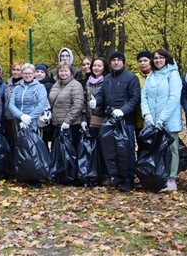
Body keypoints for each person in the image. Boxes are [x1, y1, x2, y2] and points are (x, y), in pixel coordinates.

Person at [89, 52, 140, 192]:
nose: (116, 62)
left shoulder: (131, 78)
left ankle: (129, 179)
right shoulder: (107, 79)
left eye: (119, 60)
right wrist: (96, 101)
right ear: (110, 63)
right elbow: (102, 95)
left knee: (127, 151)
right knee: (111, 150)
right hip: (110, 120)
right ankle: (117, 176)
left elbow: (135, 99)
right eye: (113, 60)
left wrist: (123, 110)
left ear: (123, 62)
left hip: (125, 121)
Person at [141, 49, 182, 192]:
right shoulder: (151, 75)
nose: (158, 60)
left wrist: (162, 118)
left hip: (169, 120)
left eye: (161, 57)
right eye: (156, 58)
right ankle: (157, 177)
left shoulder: (173, 74)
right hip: (152, 121)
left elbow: (174, 98)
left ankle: (171, 178)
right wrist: (147, 114)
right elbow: (144, 96)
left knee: (171, 149)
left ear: (167, 59)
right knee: (155, 149)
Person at [8, 63, 48, 187]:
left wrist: (30, 118)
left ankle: (35, 178)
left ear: (34, 74)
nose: (27, 75)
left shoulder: (39, 87)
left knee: (33, 151)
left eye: (30, 73)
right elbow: (11, 104)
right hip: (19, 123)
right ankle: (23, 175)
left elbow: (41, 104)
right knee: (22, 149)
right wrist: (21, 116)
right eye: (25, 73)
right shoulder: (17, 87)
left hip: (33, 123)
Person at [49, 61, 85, 154]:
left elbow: (78, 105)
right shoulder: (56, 85)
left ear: (71, 72)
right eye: (61, 71)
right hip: (56, 125)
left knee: (70, 154)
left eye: (66, 71)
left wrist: (67, 121)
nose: (63, 73)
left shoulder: (76, 85)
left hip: (71, 126)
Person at [85, 57, 110, 185]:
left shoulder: (107, 81)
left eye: (99, 66)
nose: (96, 68)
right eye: (94, 65)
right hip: (91, 120)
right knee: (93, 149)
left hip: (104, 119)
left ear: (104, 67)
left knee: (104, 148)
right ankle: (96, 174)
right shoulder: (88, 82)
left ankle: (106, 174)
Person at [4, 63, 23, 151]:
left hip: (17, 118)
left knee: (18, 143)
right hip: (7, 118)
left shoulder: (23, 85)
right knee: (10, 144)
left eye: (18, 70)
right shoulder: (8, 84)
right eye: (14, 70)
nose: (15, 72)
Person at [135, 51, 152, 138]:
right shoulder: (134, 77)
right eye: (140, 61)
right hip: (138, 118)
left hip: (154, 117)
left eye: (145, 60)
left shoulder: (156, 76)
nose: (142, 63)